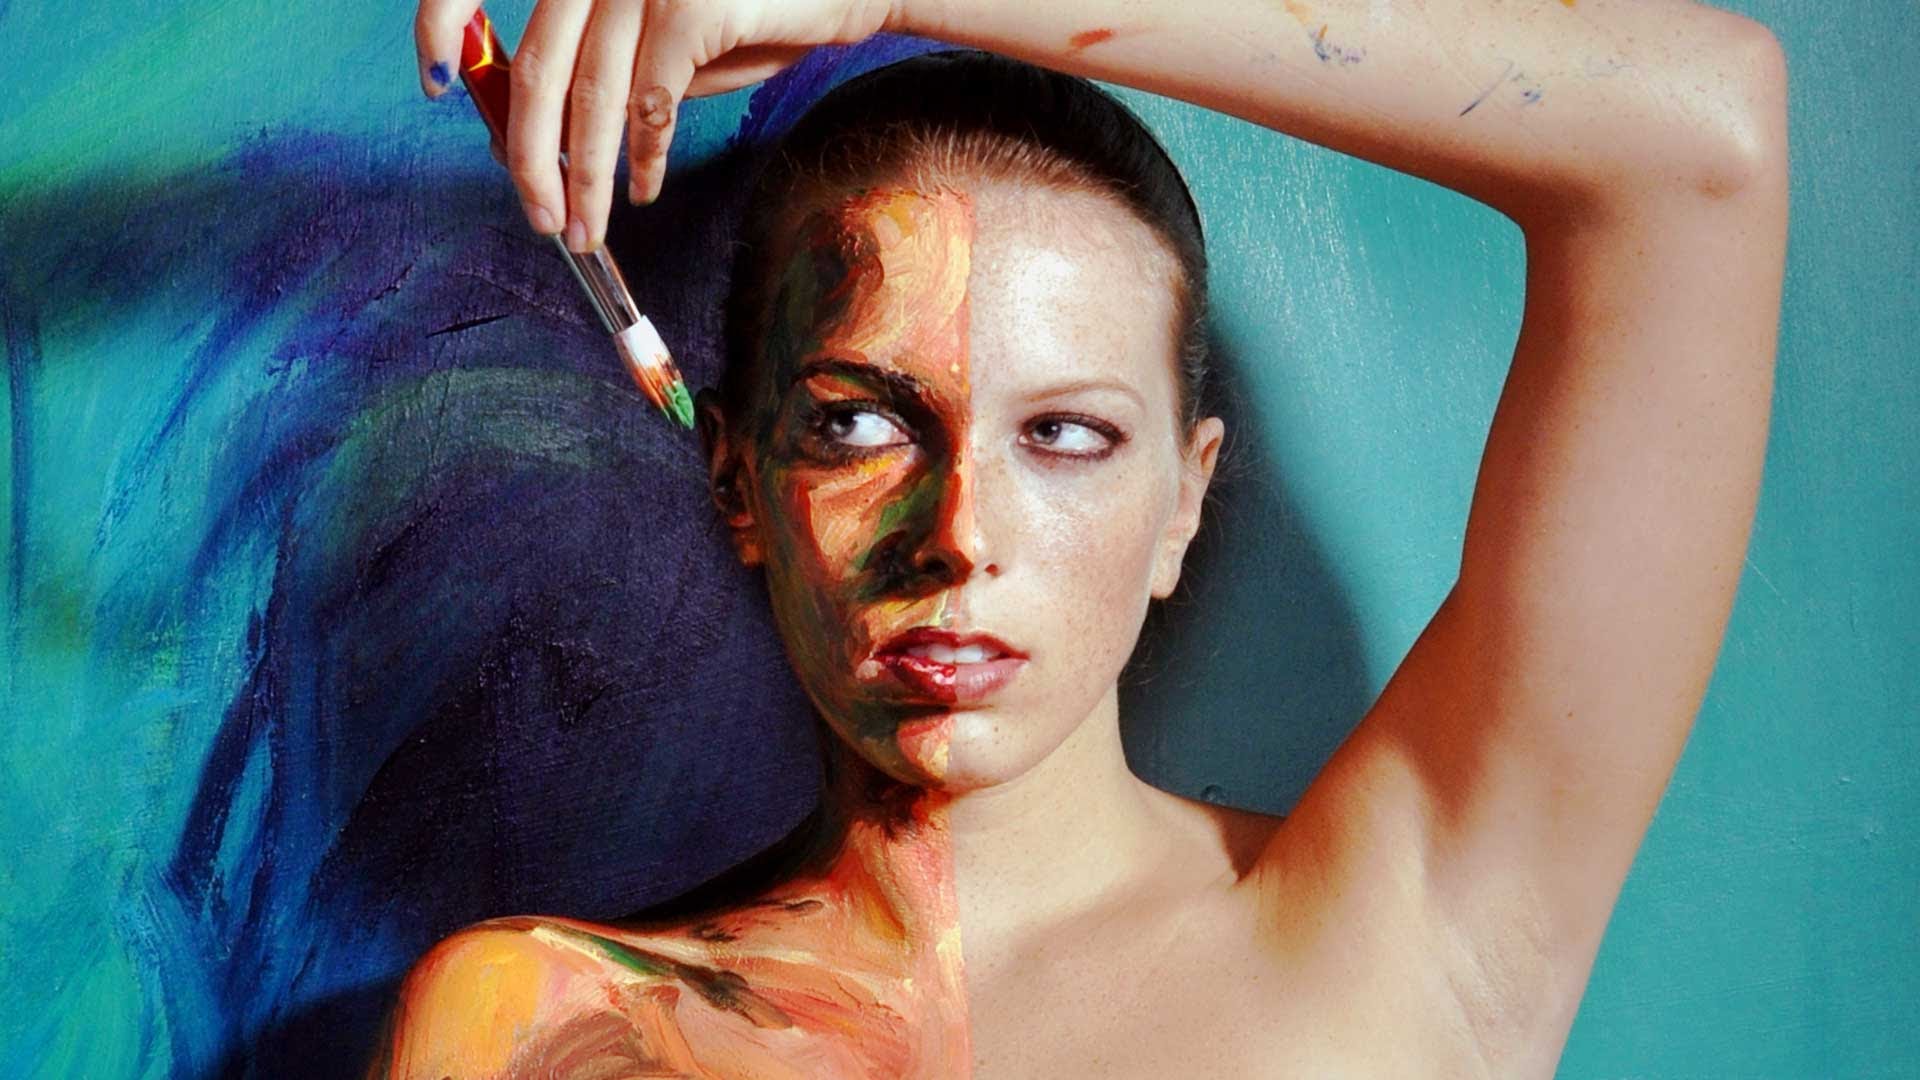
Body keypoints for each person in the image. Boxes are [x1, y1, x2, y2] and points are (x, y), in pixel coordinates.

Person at [377, 0, 1788, 1075]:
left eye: (1063, 435)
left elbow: (1700, 141)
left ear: (1184, 498)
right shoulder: (558, 1025)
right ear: (738, 479)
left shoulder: (1410, 925)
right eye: (861, 423)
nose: (960, 534)